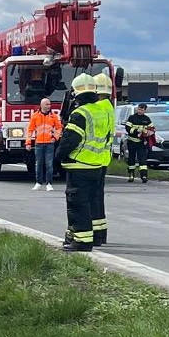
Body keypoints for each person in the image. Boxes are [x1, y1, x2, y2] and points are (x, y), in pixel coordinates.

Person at [58, 72, 116, 251]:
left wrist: (59, 155)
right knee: (91, 202)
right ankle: (83, 236)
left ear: (76, 92)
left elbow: (70, 140)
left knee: (78, 204)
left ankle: (82, 241)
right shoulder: (101, 110)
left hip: (80, 164)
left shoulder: (80, 113)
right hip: (97, 164)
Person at [28, 96, 63, 192]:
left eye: (49, 104)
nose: (49, 106)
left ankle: (49, 183)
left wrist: (55, 137)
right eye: (47, 104)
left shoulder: (54, 116)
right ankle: (38, 182)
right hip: (39, 143)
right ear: (42, 105)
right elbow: (30, 130)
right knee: (38, 164)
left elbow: (59, 128)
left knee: (49, 164)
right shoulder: (35, 116)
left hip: (49, 143)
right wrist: (28, 142)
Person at [123, 103, 156, 183]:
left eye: (142, 110)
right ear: (137, 109)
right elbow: (128, 128)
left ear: (145, 110)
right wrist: (136, 131)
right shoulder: (132, 118)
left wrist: (146, 133)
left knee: (142, 160)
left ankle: (144, 176)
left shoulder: (147, 119)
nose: (140, 111)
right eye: (139, 109)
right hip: (132, 141)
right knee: (131, 159)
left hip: (141, 142)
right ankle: (131, 175)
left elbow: (152, 129)